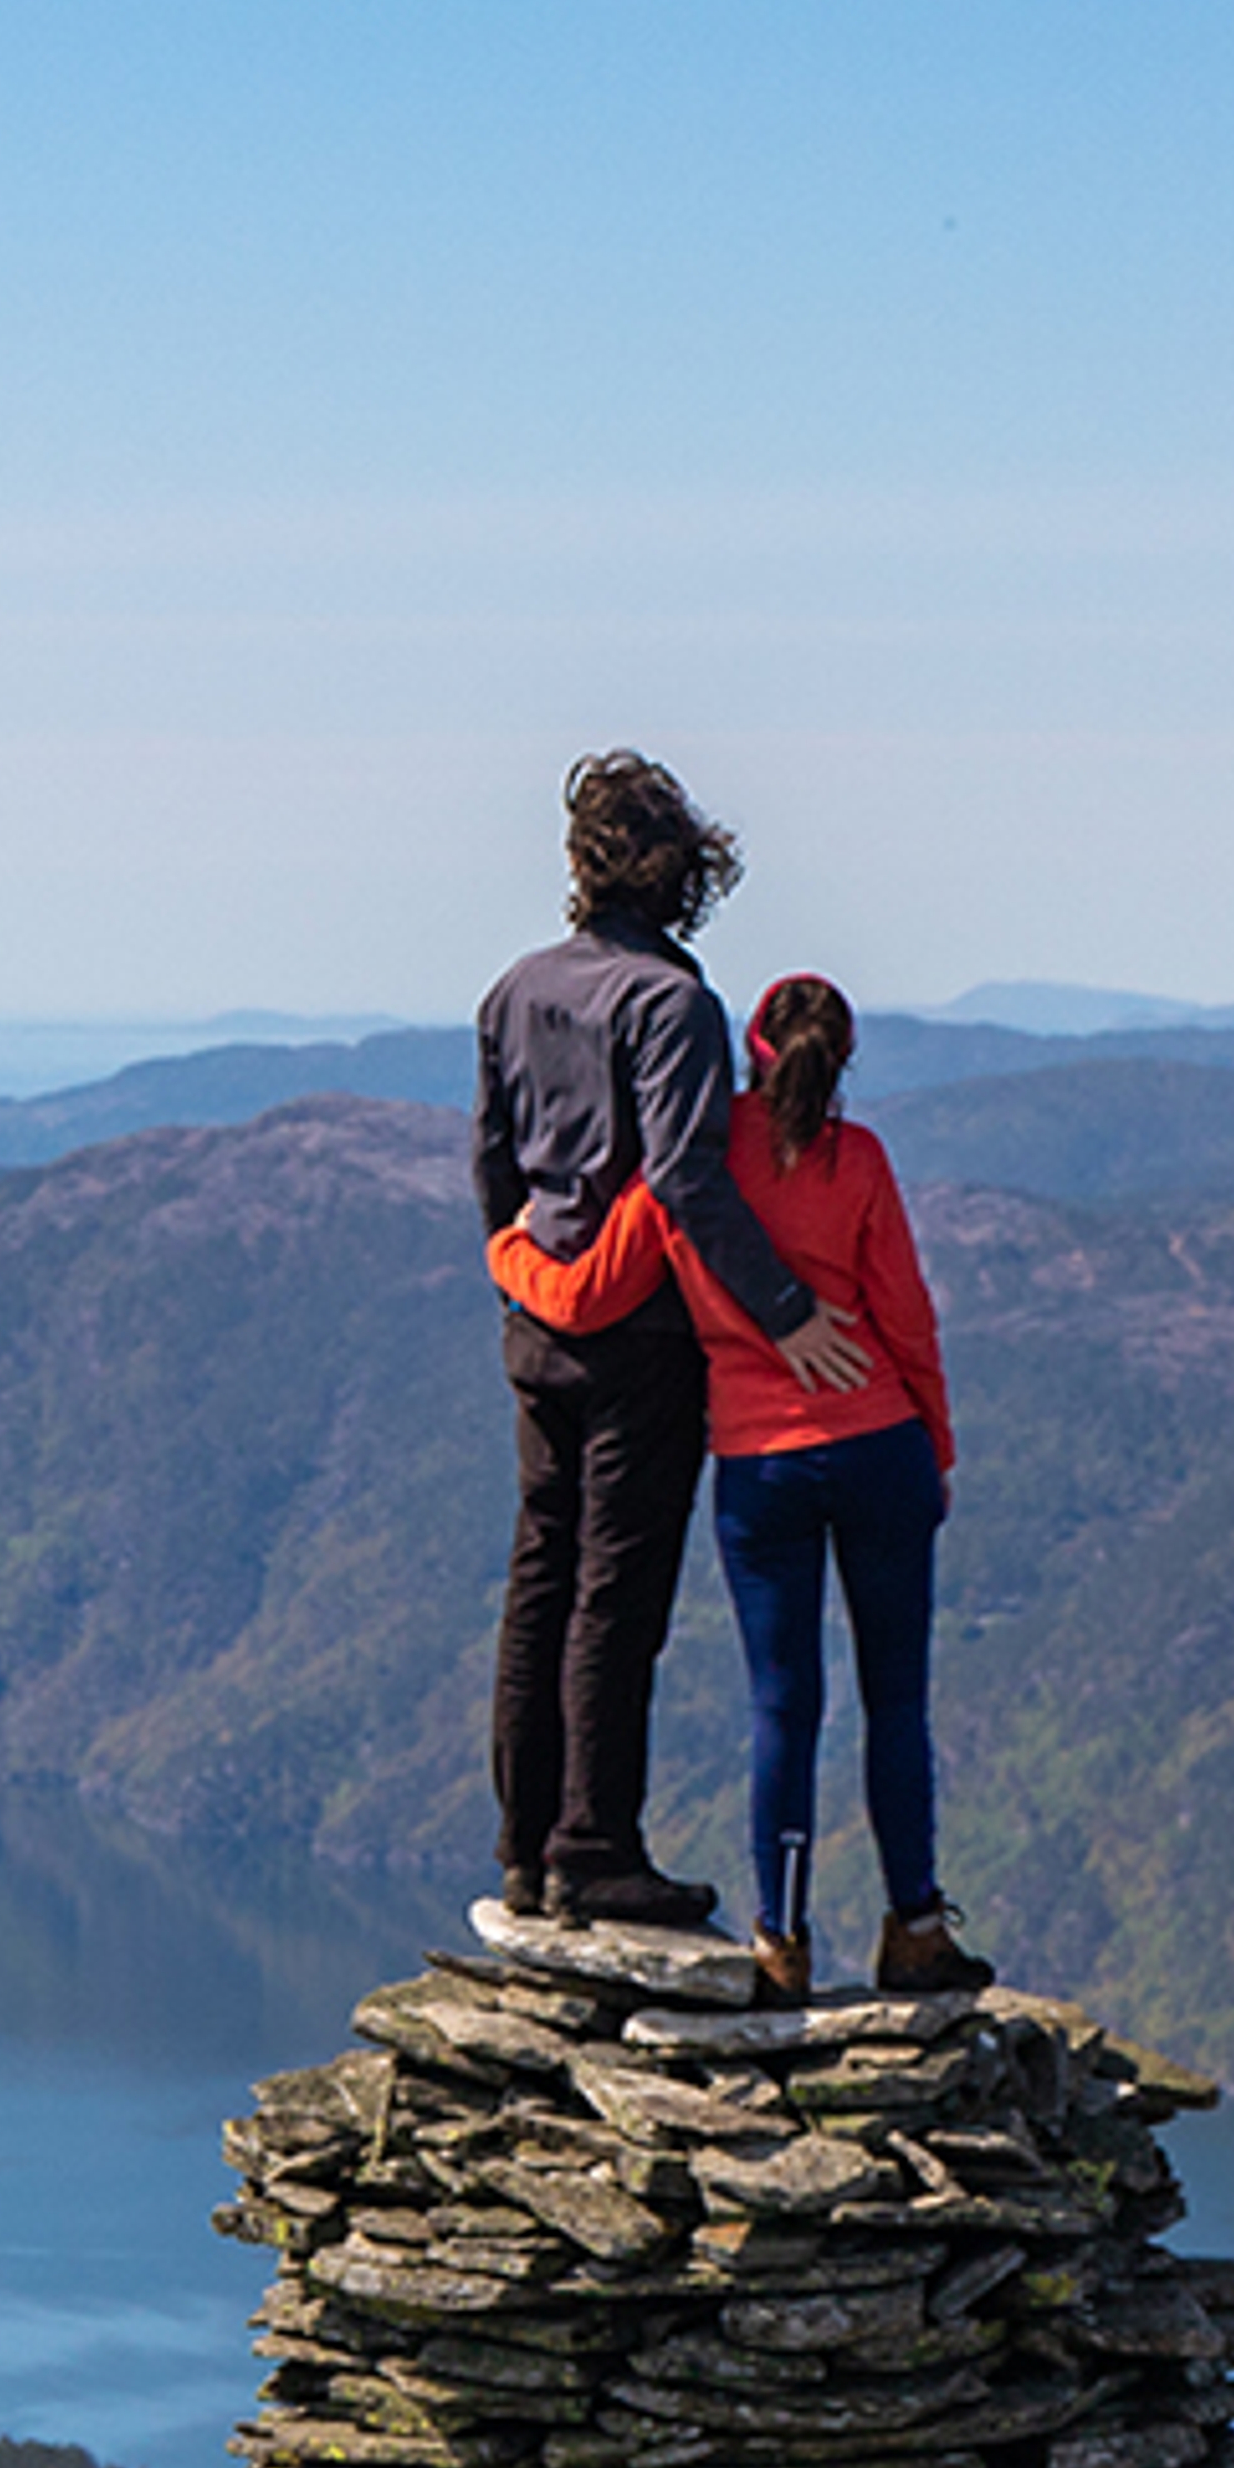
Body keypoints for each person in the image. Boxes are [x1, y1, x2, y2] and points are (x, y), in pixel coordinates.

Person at [474, 754, 869, 1925]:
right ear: (681, 870)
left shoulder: (513, 991)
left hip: (538, 1323)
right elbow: (689, 1179)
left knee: (539, 1576)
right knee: (617, 1592)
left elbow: (493, 1170)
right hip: (642, 1338)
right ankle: (594, 1848)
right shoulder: (672, 1006)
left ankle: (523, 1846)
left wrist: (524, 1288)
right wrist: (789, 1317)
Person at [670, 969, 991, 2005]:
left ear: (751, 1048)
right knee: (896, 1696)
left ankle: (781, 1940)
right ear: (841, 1059)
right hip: (880, 1445)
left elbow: (634, 1260)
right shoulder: (861, 1161)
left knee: (784, 1703)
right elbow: (905, 1315)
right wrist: (934, 1444)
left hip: (760, 1465)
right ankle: (917, 1925)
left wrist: (523, 1262)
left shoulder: (700, 1159)